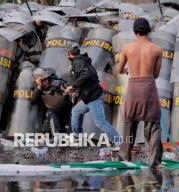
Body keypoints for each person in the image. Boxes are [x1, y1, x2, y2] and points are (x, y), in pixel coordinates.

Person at [117, 18, 163, 168]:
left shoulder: (127, 48)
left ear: (135, 31)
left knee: (129, 123)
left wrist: (131, 70)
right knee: (153, 125)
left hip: (133, 88)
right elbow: (156, 74)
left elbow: (119, 70)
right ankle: (154, 162)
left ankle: (124, 159)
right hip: (149, 88)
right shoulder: (157, 49)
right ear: (148, 30)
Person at [66, 43, 120, 144]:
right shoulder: (83, 61)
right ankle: (77, 136)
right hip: (88, 96)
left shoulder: (78, 62)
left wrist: (73, 86)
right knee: (76, 111)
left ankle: (119, 142)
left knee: (100, 122)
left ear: (69, 54)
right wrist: (77, 94)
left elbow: (85, 75)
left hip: (94, 97)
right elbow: (88, 79)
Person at [32, 67, 72, 134]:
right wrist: (39, 86)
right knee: (44, 131)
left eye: (46, 79)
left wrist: (66, 91)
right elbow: (33, 101)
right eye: (43, 80)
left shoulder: (56, 83)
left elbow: (68, 89)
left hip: (65, 111)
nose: (46, 81)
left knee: (50, 112)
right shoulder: (39, 90)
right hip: (54, 116)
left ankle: (56, 135)